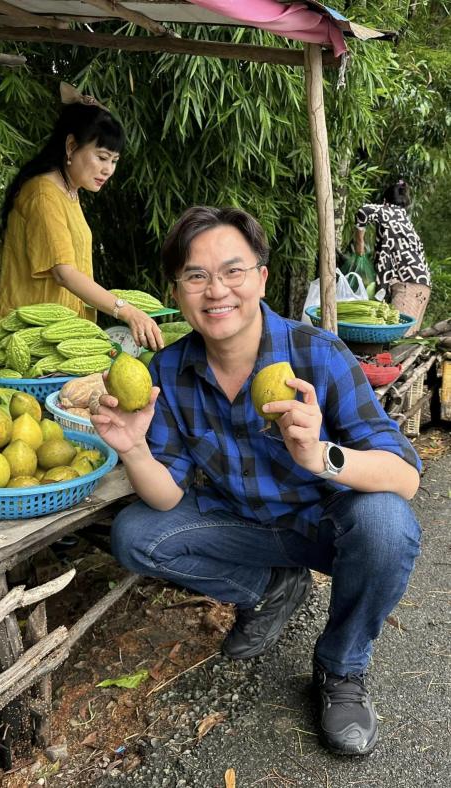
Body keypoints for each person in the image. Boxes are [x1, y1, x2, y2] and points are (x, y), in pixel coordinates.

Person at [90, 206, 422, 756]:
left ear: (262, 278)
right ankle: (271, 586)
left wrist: (321, 456)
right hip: (241, 525)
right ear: (177, 293)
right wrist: (134, 450)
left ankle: (341, 668)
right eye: (196, 276)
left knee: (387, 524)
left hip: (328, 527)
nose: (215, 290)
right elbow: (168, 494)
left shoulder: (317, 353)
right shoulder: (168, 371)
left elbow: (405, 476)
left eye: (233, 271)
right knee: (134, 534)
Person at [0, 83, 163, 351]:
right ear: (71, 146)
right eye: (102, 157)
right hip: (28, 342)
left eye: (114, 161)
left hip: (56, 339)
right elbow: (64, 273)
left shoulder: (69, 192)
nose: (108, 170)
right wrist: (126, 311)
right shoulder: (43, 194)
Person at [355, 179, 431, 333]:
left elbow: (363, 211)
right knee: (408, 339)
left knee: (398, 337)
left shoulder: (387, 211)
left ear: (384, 201)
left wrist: (359, 242)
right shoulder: (404, 220)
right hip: (421, 284)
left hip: (407, 284)